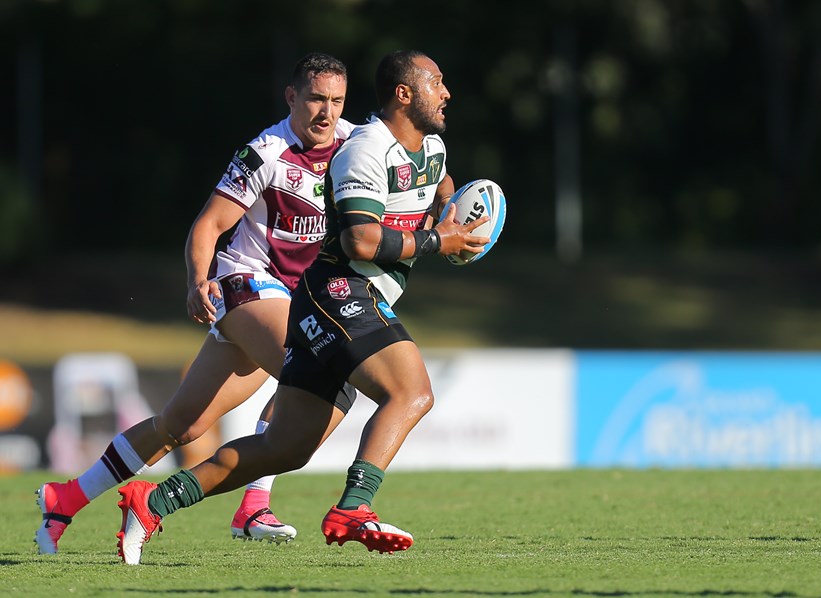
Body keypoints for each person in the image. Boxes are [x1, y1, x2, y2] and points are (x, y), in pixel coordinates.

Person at [114, 49, 491, 564]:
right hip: (336, 292)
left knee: (285, 449)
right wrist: (434, 243)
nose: (447, 93)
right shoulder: (365, 149)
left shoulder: (433, 149)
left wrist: (458, 216)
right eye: (437, 82)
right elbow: (360, 239)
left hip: (341, 302)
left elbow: (441, 189)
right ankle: (354, 509)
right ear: (404, 94)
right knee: (412, 392)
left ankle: (151, 501)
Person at [34, 52, 357, 554]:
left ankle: (65, 497)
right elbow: (207, 226)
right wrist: (195, 281)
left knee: (180, 426)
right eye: (316, 98)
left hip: (295, 301)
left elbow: (415, 166)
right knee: (316, 375)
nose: (327, 112)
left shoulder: (355, 145)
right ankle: (253, 504)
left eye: (336, 100)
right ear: (292, 96)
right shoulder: (265, 153)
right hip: (249, 286)